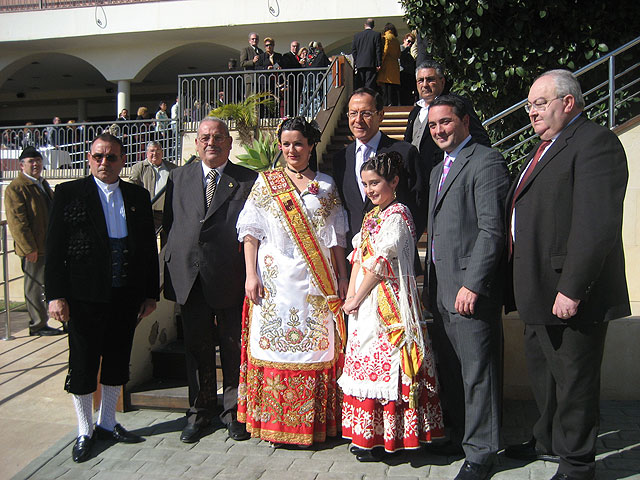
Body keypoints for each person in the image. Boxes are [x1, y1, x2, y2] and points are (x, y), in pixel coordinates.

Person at [503, 70, 630, 480]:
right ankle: (547, 441)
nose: (531, 112)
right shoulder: (543, 148)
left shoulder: (596, 144)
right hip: (536, 289)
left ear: (568, 102)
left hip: (569, 291)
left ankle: (576, 464)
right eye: (529, 105)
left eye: (539, 103)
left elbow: (596, 226)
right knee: (545, 376)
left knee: (574, 381)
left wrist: (573, 287)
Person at [45, 133, 159, 463]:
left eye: (111, 157)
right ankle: (85, 430)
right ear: (89, 159)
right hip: (83, 296)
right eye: (98, 156)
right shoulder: (69, 193)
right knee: (83, 361)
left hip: (125, 294)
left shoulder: (137, 195)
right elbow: (54, 249)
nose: (103, 163)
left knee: (116, 358)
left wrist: (151, 293)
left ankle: (107, 423)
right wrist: (55, 295)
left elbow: (147, 251)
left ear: (123, 160)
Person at [236, 117, 349, 447]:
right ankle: (273, 423)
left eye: (298, 143)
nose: (291, 150)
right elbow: (250, 232)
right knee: (275, 347)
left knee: (316, 350)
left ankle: (314, 426)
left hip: (317, 284)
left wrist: (341, 277)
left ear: (311, 145)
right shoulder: (266, 183)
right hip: (274, 284)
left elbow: (336, 238)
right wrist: (250, 274)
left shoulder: (326, 185)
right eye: (285, 144)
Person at [339, 151, 444, 462]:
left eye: (375, 183)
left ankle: (394, 439)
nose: (370, 190)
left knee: (391, 366)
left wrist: (356, 297)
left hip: (390, 302)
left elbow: (383, 262)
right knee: (364, 360)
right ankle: (367, 437)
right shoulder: (372, 216)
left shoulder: (398, 215)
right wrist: (352, 297)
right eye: (365, 184)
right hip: (366, 301)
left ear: (394, 182)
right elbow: (359, 257)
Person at [424, 95, 509, 480]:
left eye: (445, 122)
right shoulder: (437, 169)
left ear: (465, 122)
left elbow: (492, 230)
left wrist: (473, 283)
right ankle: (460, 435)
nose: (439, 130)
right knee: (455, 371)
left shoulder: (486, 161)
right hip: (442, 292)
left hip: (469, 292)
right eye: (433, 125)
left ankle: (482, 453)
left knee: (479, 373)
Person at [162, 117, 257, 444]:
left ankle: (233, 412)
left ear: (230, 143)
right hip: (189, 278)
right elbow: (171, 227)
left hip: (231, 277)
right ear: (196, 142)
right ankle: (199, 411)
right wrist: (168, 270)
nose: (211, 142)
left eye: (218, 137)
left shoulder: (247, 180)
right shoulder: (178, 177)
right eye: (205, 137)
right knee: (196, 349)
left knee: (233, 348)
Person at [332, 88, 426, 246]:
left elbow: (419, 203)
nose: (358, 120)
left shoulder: (404, 152)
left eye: (366, 113)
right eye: (353, 113)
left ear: (381, 115)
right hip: (355, 257)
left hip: (394, 255)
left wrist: (402, 245)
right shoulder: (341, 159)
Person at [4, 146, 61, 336]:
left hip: (49, 244)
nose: (36, 164)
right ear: (21, 166)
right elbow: (17, 222)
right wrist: (29, 248)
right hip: (33, 247)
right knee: (34, 286)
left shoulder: (41, 184)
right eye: (31, 162)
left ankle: (51, 320)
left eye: (38, 161)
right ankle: (37, 324)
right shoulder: (16, 187)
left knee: (49, 283)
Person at [404, 61, 490, 182]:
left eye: (430, 79)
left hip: (446, 177)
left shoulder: (455, 104)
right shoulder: (415, 112)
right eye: (420, 80)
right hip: (417, 182)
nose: (425, 84)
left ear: (442, 81)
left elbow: (480, 138)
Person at [129, 141, 177, 245]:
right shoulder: (139, 168)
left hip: (167, 212)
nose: (155, 154)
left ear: (162, 153)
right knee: (148, 243)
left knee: (168, 244)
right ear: (147, 153)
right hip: (149, 212)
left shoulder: (172, 168)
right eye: (152, 151)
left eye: (157, 151)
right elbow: (132, 186)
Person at [351, 18, 382, 90]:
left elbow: (353, 50)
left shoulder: (357, 36)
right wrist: (379, 63)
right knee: (369, 84)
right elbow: (378, 50)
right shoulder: (376, 35)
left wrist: (357, 60)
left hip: (360, 63)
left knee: (360, 84)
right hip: (371, 63)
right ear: (373, 26)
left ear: (365, 25)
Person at [377, 23, 401, 106]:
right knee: (393, 86)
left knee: (385, 85)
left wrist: (380, 61)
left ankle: (386, 103)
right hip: (395, 64)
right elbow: (398, 54)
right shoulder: (396, 40)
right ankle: (392, 103)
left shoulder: (386, 37)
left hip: (387, 63)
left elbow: (385, 50)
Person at [240, 32, 263, 97]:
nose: (254, 40)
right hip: (250, 78)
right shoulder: (245, 50)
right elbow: (242, 63)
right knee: (250, 99)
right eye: (253, 39)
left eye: (256, 39)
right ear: (249, 41)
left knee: (259, 99)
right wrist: (252, 61)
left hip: (259, 79)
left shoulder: (260, 51)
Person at [399, 33, 417, 106]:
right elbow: (400, 57)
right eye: (408, 41)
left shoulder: (410, 56)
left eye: (412, 43)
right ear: (404, 40)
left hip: (408, 77)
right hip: (401, 75)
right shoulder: (400, 49)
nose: (410, 44)